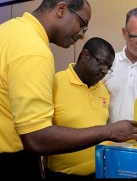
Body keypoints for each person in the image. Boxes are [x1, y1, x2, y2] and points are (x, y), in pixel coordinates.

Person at [0, 0, 137, 179]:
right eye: (82, 24)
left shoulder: (6, 31)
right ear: (61, 10)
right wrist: (109, 131)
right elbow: (37, 138)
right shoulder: (34, 51)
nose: (82, 34)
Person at [45, 37, 115, 179]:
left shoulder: (103, 89)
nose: (104, 71)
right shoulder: (55, 83)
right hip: (60, 175)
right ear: (85, 55)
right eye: (102, 64)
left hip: (100, 173)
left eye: (108, 67)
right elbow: (39, 134)